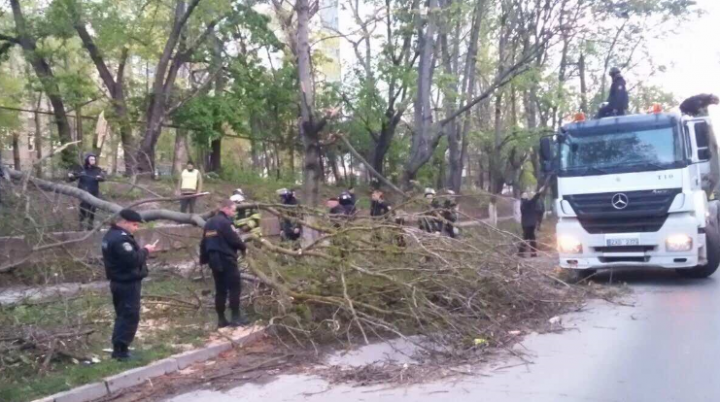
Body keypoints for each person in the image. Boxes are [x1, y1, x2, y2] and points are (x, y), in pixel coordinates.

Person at [101, 209, 158, 361]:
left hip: (120, 281)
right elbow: (132, 260)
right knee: (129, 315)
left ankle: (121, 348)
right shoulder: (120, 240)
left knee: (124, 315)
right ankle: (121, 351)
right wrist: (146, 251)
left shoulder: (111, 235)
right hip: (126, 282)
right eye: (134, 225)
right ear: (124, 222)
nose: (136, 228)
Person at [200, 200, 250, 328]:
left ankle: (221, 319)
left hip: (214, 260)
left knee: (220, 289)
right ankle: (235, 316)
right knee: (234, 287)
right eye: (233, 210)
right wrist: (243, 247)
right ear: (226, 209)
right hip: (226, 258)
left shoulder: (209, 222)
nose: (234, 213)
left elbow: (203, 242)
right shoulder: (225, 223)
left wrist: (204, 259)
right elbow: (234, 239)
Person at [68, 153, 106, 231]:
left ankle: (90, 226)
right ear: (87, 160)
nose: (93, 161)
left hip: (94, 191)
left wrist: (100, 178)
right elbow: (72, 178)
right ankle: (81, 225)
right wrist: (70, 176)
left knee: (93, 209)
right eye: (91, 159)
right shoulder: (81, 169)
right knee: (83, 208)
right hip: (83, 192)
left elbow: (103, 178)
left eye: (94, 159)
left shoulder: (97, 169)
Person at [519, 185, 547, 257]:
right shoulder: (527, 203)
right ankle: (523, 252)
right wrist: (539, 192)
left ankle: (531, 253)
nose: (526, 194)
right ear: (523, 197)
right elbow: (535, 198)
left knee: (530, 238)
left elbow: (534, 199)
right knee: (528, 238)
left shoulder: (524, 203)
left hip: (527, 224)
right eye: (525, 194)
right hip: (529, 224)